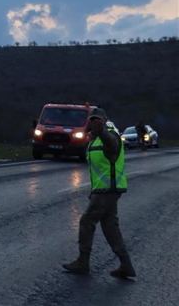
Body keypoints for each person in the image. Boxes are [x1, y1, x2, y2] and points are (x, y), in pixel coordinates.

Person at [62, 108, 135, 278]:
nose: (94, 123)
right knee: (110, 227)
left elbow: (111, 143)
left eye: (97, 120)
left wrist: (101, 131)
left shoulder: (111, 135)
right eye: (92, 120)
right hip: (105, 190)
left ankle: (83, 261)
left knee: (87, 221)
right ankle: (126, 265)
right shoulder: (94, 140)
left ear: (104, 120)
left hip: (108, 190)